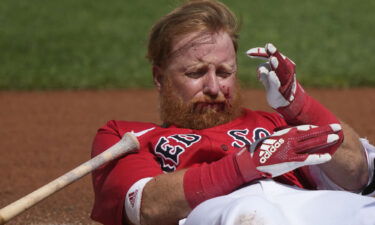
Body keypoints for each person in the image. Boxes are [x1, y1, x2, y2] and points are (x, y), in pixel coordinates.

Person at [90, 0, 375, 225]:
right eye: (196, 72)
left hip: (305, 206)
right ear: (159, 77)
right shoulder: (128, 136)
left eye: (225, 72)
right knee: (249, 212)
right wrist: (247, 164)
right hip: (219, 211)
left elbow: (357, 175)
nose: (214, 86)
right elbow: (146, 208)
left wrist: (299, 107)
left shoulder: (275, 123)